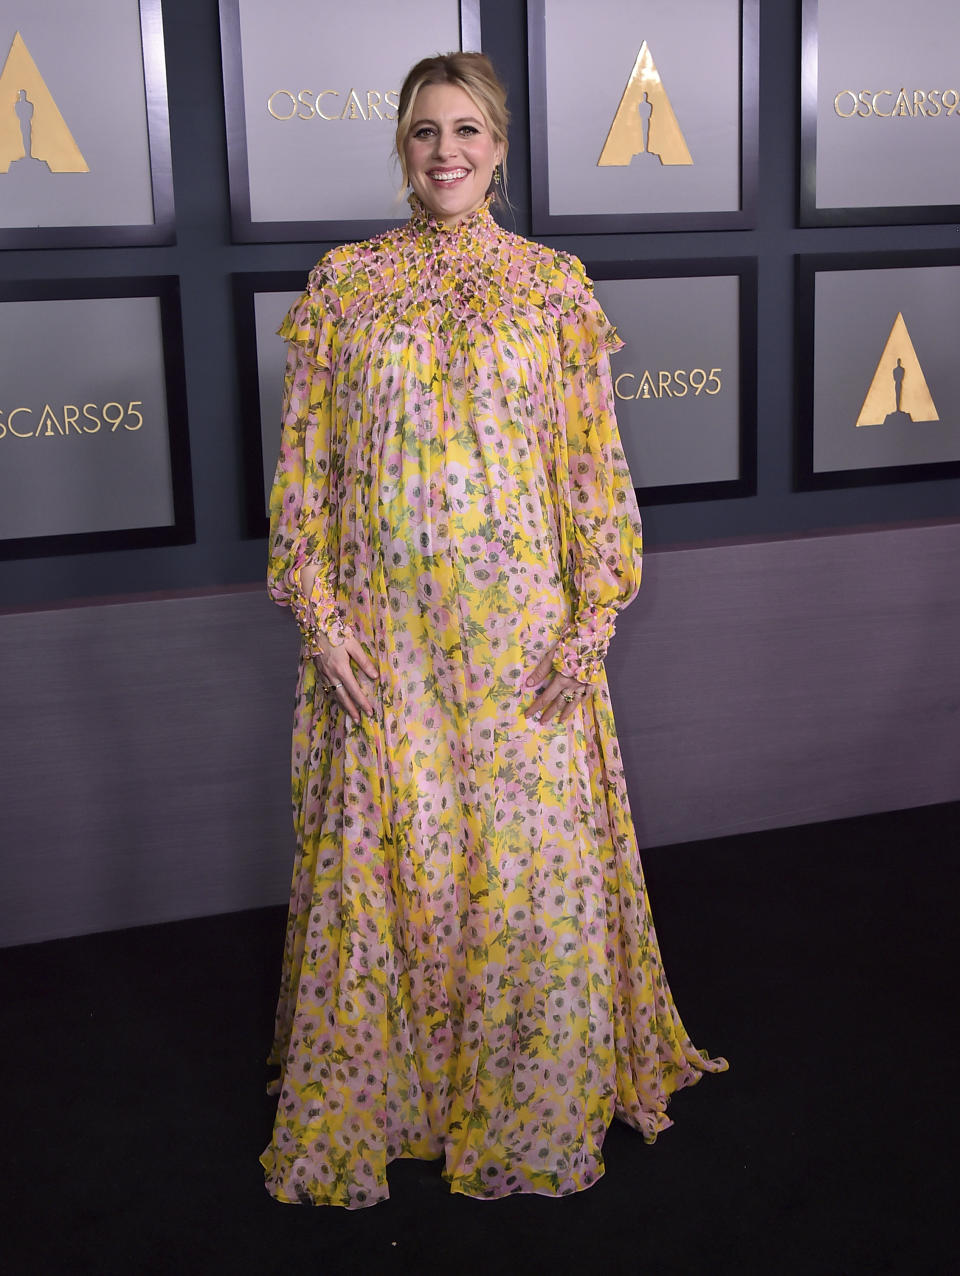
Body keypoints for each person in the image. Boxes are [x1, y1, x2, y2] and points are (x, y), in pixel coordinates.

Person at [261, 51, 726, 1209]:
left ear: (501, 148)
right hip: (385, 646)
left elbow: (590, 470)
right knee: (390, 877)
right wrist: (320, 619)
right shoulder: (345, 283)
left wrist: (591, 621)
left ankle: (526, 1095)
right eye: (424, 132)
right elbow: (305, 473)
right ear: (401, 150)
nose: (445, 152)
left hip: (524, 643)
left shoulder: (556, 288)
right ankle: (399, 1103)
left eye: (466, 130)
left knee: (527, 881)